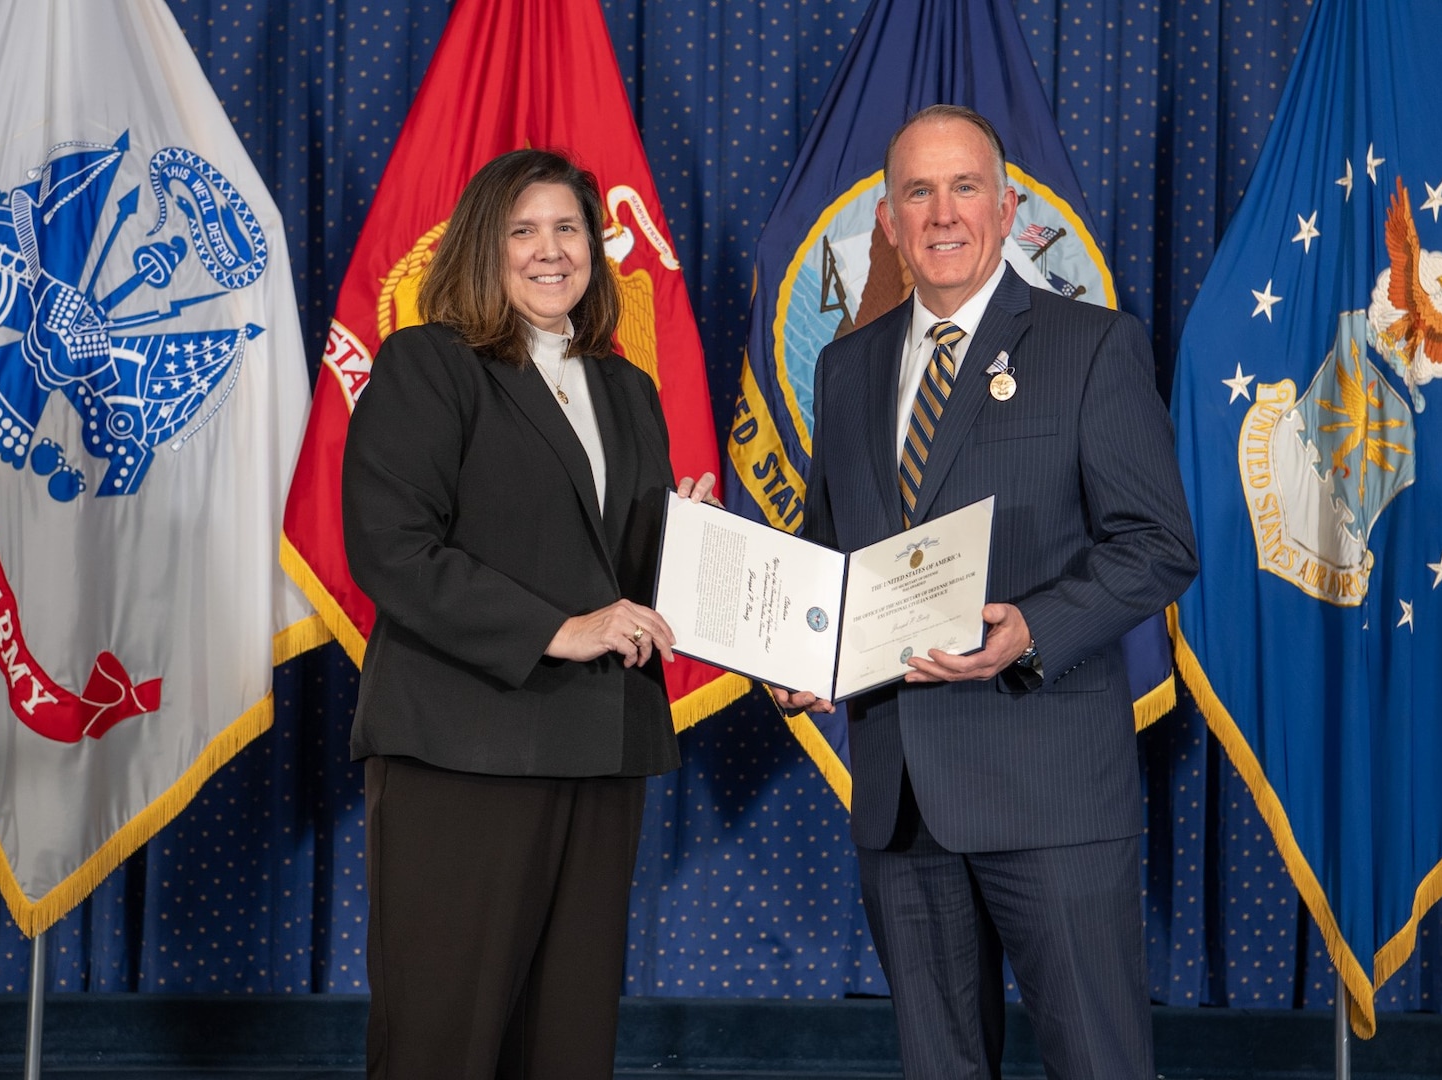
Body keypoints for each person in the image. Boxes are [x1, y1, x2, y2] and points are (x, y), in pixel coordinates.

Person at [776, 105, 1199, 1079]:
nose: (942, 213)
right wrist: (794, 651)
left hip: (1048, 787)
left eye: (965, 187)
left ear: (1008, 209)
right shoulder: (845, 369)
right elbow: (829, 550)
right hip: (903, 803)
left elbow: (1158, 544)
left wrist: (1034, 628)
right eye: (917, 192)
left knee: (1098, 1064)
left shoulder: (1091, 346)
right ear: (887, 221)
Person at [342, 148, 716, 1080]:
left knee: (568, 1047)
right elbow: (393, 549)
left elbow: (620, 574)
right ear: (484, 247)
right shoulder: (431, 364)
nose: (551, 251)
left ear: (596, 247)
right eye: (524, 231)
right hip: (464, 749)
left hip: (601, 751)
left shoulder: (628, 389)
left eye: (569, 229)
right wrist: (560, 630)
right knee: (443, 1043)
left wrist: (697, 553)